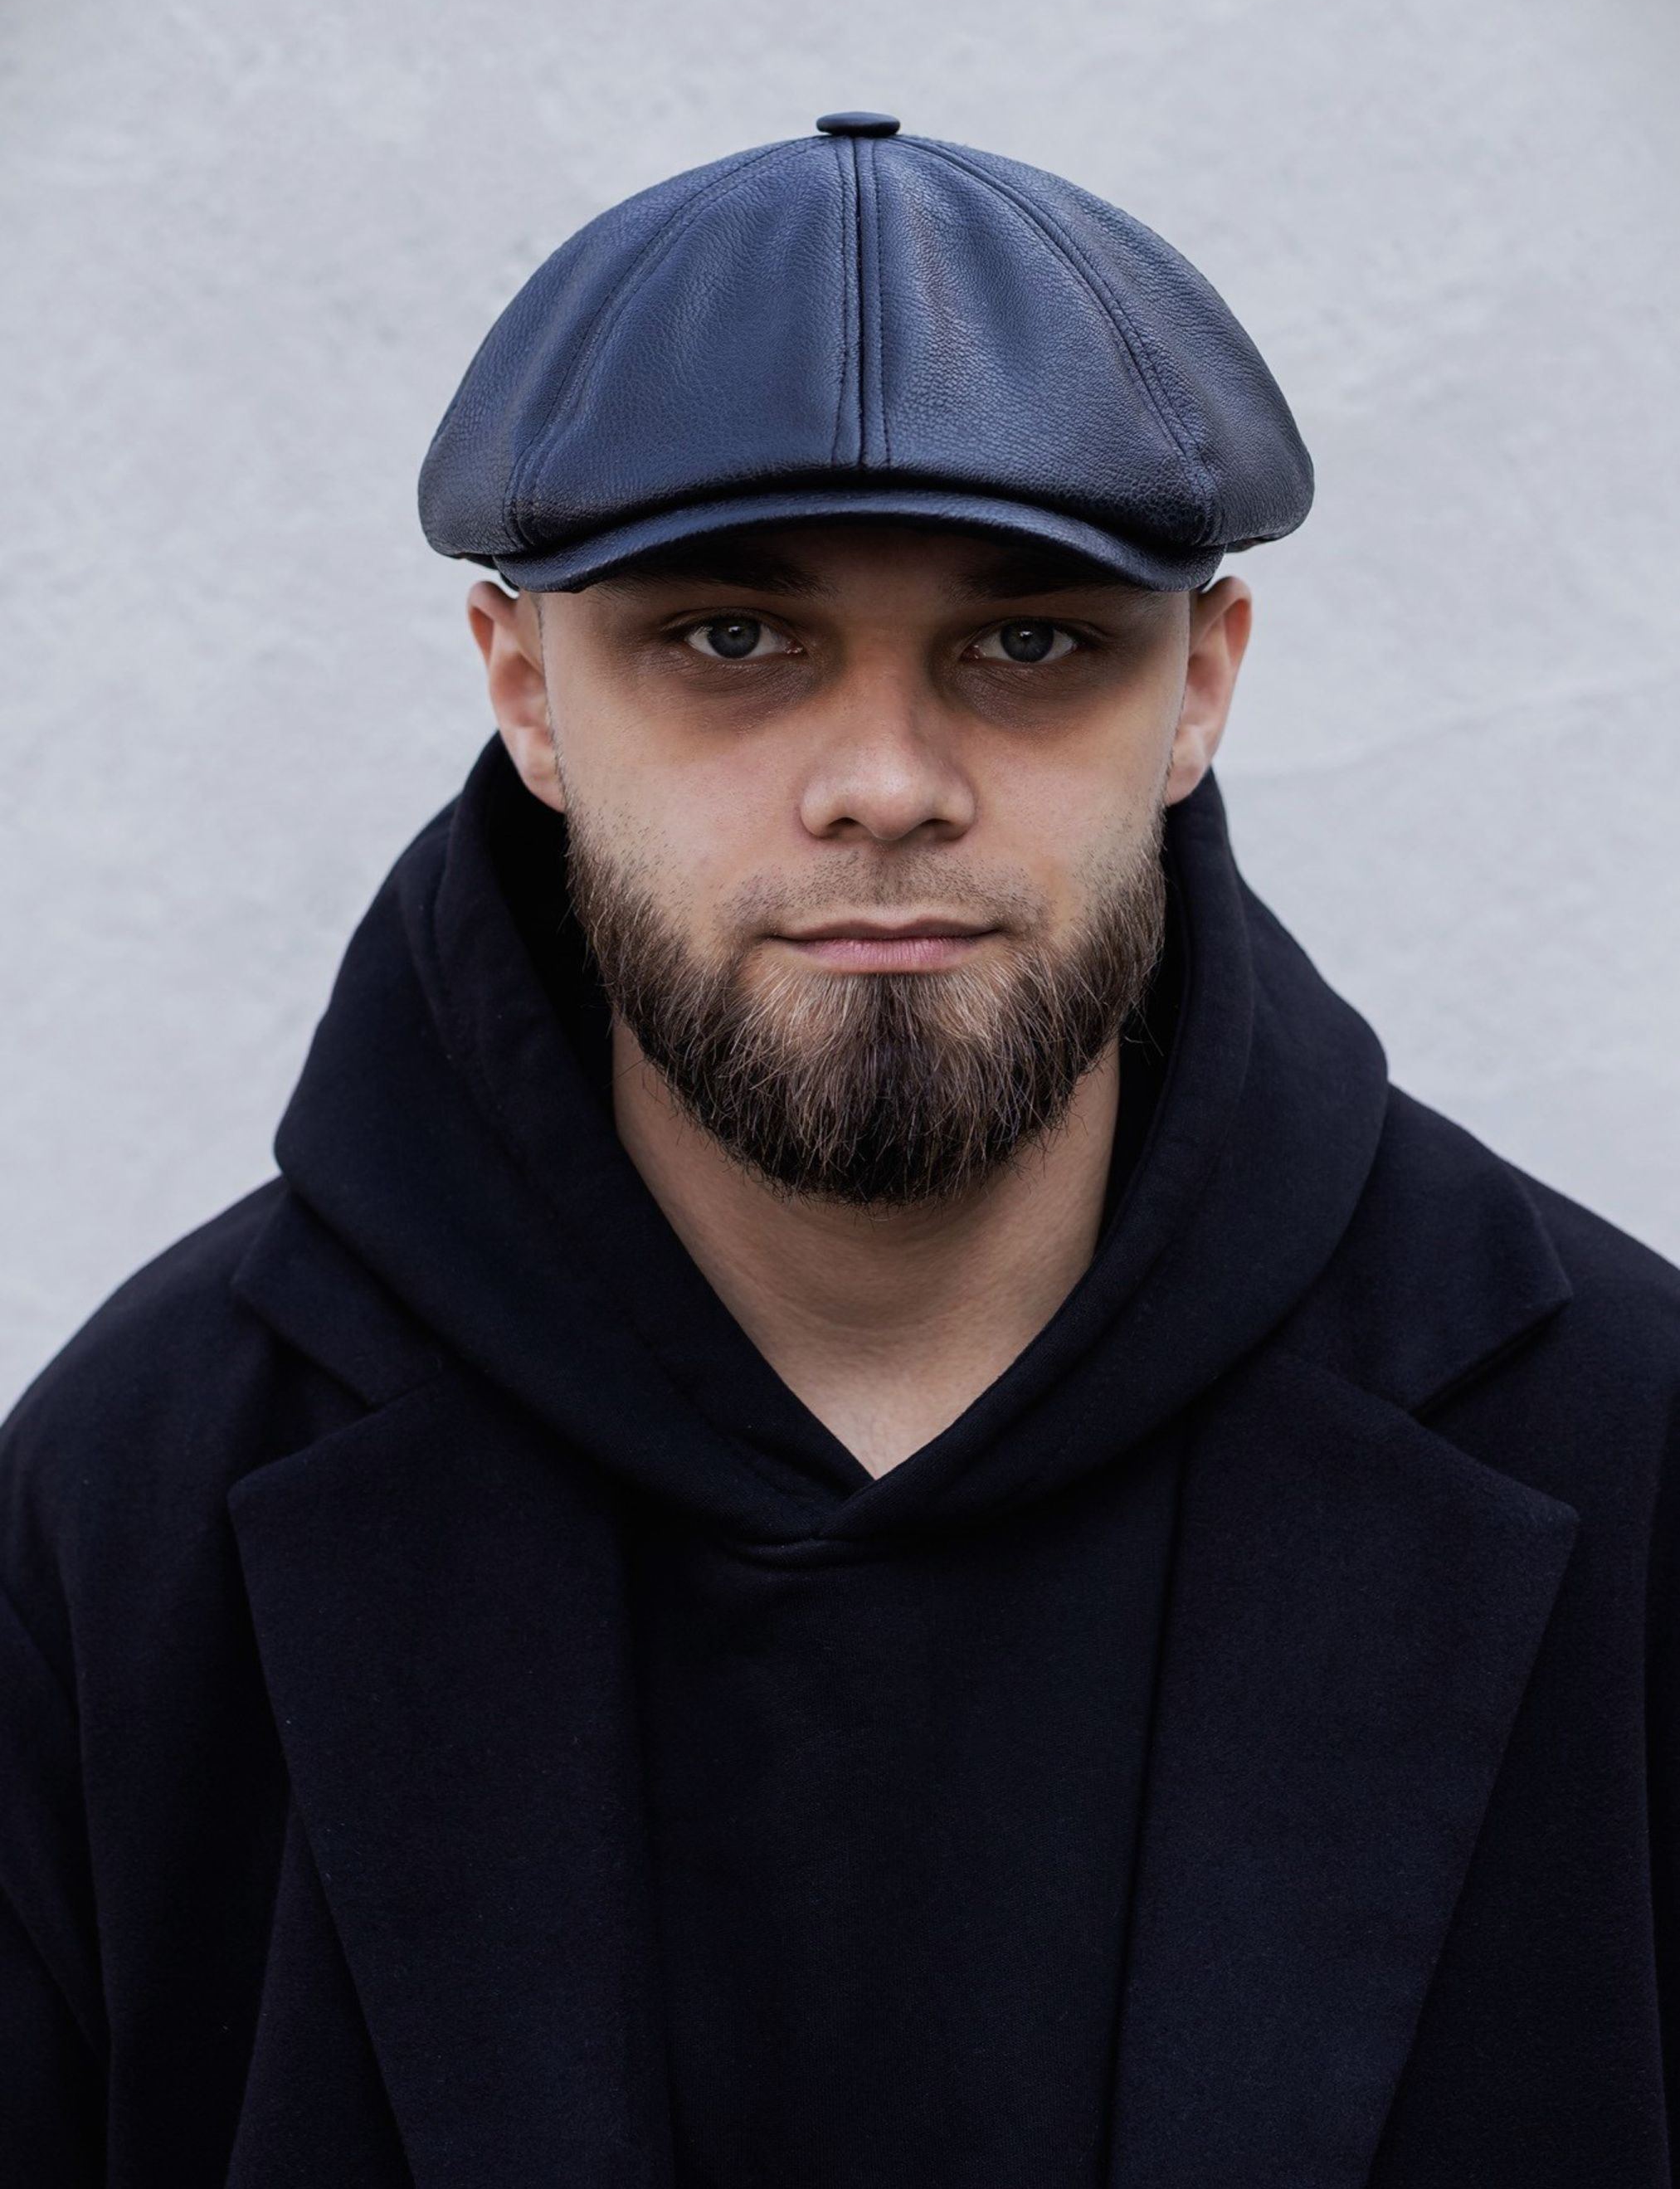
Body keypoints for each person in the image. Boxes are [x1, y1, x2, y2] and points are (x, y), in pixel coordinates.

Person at [2, 111, 1677, 2189]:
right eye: (732, 638)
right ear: (526, 689)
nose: (884, 782)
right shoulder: (133, 1509)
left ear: (1197, 688)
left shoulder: (1618, 1455)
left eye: (1029, 640)